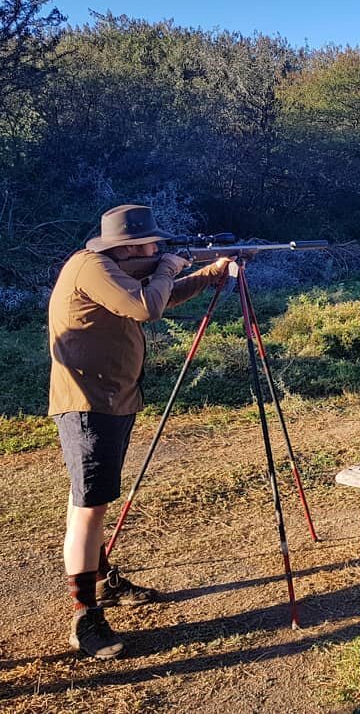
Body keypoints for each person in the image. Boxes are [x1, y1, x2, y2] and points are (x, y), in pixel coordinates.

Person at [48, 204, 230, 658]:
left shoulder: (109, 269)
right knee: (89, 505)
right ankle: (84, 617)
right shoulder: (91, 266)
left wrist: (207, 274)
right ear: (129, 248)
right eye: (153, 246)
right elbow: (145, 306)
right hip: (88, 403)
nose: (159, 250)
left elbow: (158, 298)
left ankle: (100, 582)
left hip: (112, 399)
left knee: (91, 500)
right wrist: (170, 267)